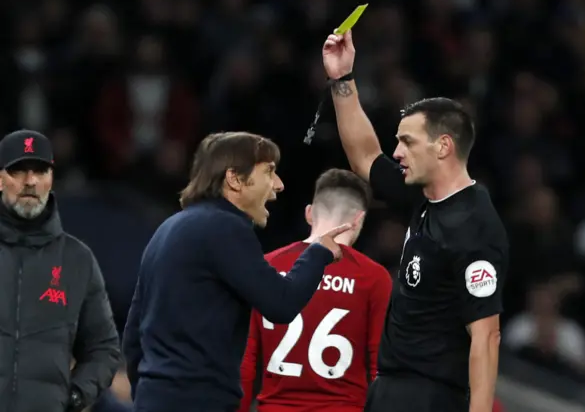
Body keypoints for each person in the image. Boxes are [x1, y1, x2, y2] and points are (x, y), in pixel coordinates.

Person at [321, 30, 509, 412]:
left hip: (429, 397)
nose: (397, 152)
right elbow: (365, 157)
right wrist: (342, 79)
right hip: (393, 387)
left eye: (407, 142)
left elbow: (486, 337)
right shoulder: (425, 193)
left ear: (443, 147)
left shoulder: (474, 226)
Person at [123, 132, 359, 412]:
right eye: (269, 172)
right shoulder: (225, 228)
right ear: (234, 179)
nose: (279, 185)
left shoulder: (167, 229)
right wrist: (318, 252)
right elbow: (282, 303)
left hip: (155, 399)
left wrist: (149, 397)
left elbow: (133, 334)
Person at [239, 169, 392, 412]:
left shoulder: (266, 265)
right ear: (358, 219)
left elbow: (246, 360)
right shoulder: (373, 277)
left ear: (309, 213)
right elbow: (379, 368)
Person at [0, 130, 121, 412]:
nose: (30, 181)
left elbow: (103, 348)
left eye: (40, 171)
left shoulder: (77, 260)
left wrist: (76, 395)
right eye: (18, 170)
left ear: (51, 179)